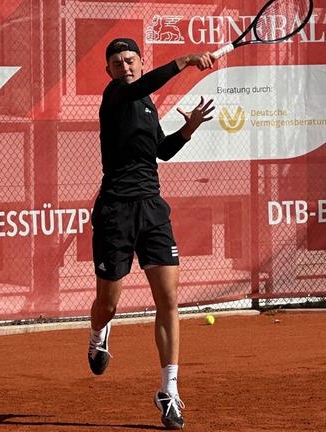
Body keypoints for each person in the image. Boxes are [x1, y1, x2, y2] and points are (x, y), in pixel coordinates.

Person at [88, 37, 215, 430]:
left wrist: (188, 129)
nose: (125, 66)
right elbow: (145, 85)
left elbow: (161, 150)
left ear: (141, 62)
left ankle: (169, 390)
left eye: (130, 60)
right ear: (109, 72)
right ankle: (98, 333)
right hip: (115, 213)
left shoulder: (145, 106)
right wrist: (187, 60)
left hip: (153, 210)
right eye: (117, 62)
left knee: (168, 300)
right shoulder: (117, 96)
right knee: (108, 304)